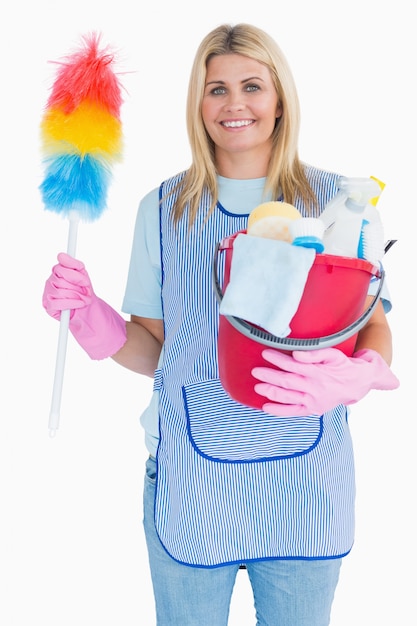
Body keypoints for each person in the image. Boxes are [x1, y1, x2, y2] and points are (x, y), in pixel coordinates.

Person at [42, 23, 400, 626]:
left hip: (306, 484)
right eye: (216, 90)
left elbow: (373, 325)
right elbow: (154, 347)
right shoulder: (163, 209)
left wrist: (360, 374)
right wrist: (94, 323)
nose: (235, 105)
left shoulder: (341, 202)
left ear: (280, 98)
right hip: (194, 480)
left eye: (252, 86)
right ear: (197, 104)